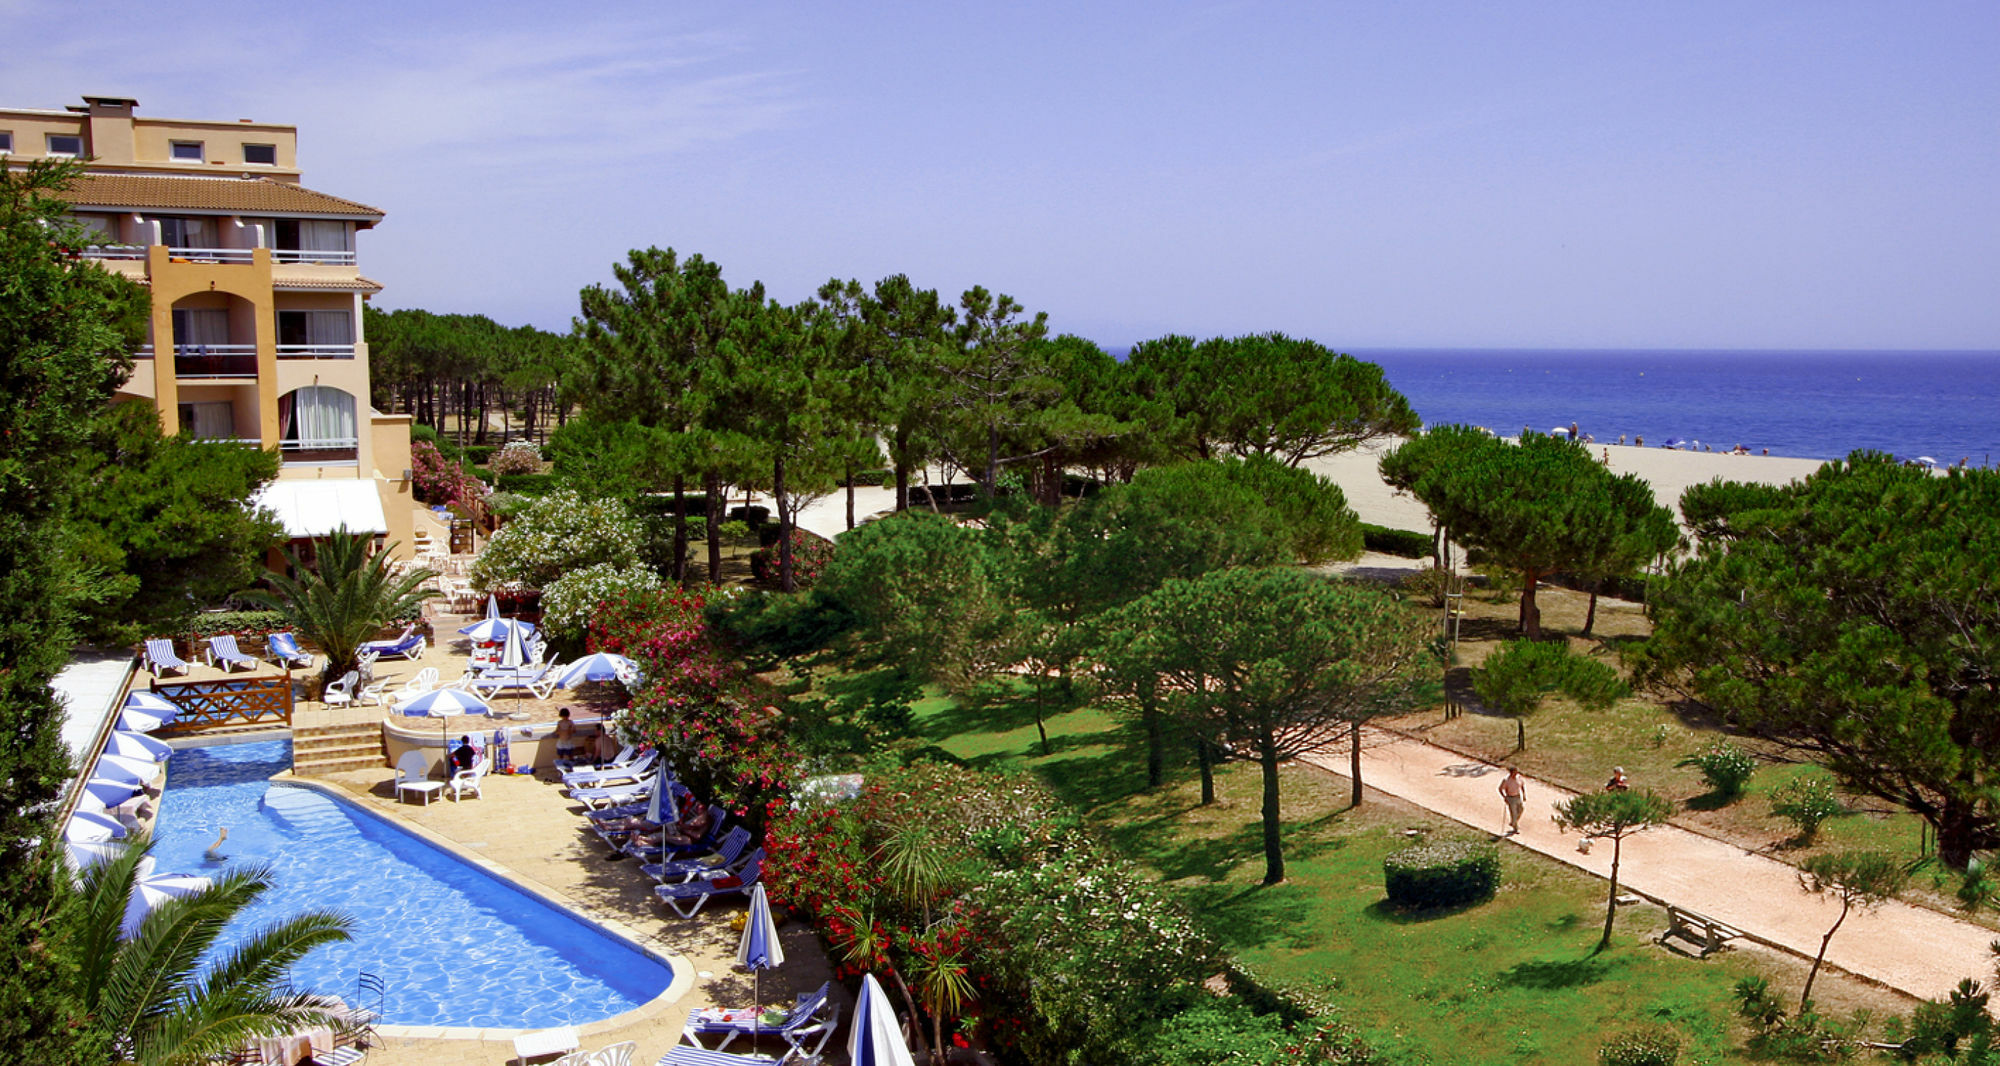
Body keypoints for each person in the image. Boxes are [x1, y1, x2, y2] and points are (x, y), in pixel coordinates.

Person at [1497, 767, 1526, 835]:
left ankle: (1513, 822)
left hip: (1518, 796)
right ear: (1511, 773)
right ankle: (1515, 828)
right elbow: (1500, 789)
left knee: (1521, 809)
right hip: (1510, 798)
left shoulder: (1519, 777)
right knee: (1513, 813)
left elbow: (1522, 785)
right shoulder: (1506, 780)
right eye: (1514, 772)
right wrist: (1504, 797)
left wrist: (1524, 794)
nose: (1516, 773)